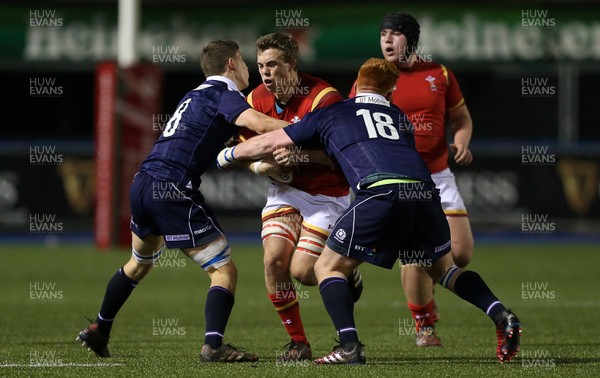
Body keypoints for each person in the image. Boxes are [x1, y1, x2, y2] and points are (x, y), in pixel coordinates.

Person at [217, 58, 522, 365]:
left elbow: (270, 140)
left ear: (357, 85)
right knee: (446, 271)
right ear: (390, 93)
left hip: (380, 193)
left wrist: (228, 154)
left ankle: (349, 346)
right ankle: (502, 315)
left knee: (327, 268)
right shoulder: (399, 116)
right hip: (425, 193)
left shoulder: (335, 111)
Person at [76, 40, 289, 363]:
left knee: (139, 264)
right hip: (172, 186)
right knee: (223, 270)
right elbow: (259, 124)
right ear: (231, 64)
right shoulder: (224, 94)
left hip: (143, 182)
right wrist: (310, 130)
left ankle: (99, 329)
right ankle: (213, 346)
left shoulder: (193, 95)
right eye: (246, 62)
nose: (250, 69)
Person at [234, 32, 362, 361]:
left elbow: (340, 155)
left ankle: (345, 270)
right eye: (260, 65)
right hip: (286, 192)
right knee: (274, 260)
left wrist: (303, 156)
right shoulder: (254, 101)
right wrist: (263, 168)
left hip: (326, 193)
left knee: (305, 272)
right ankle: (299, 343)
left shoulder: (324, 98)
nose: (265, 72)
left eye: (272, 64)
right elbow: (247, 154)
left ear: (291, 64)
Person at [349, 12, 475, 347]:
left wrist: (461, 141)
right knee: (419, 253)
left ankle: (428, 293)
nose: (387, 40)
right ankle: (424, 325)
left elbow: (460, 117)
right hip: (399, 179)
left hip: (438, 174)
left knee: (460, 253)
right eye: (383, 34)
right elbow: (352, 122)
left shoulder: (439, 73)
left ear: (412, 40)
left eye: (395, 34)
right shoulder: (372, 76)